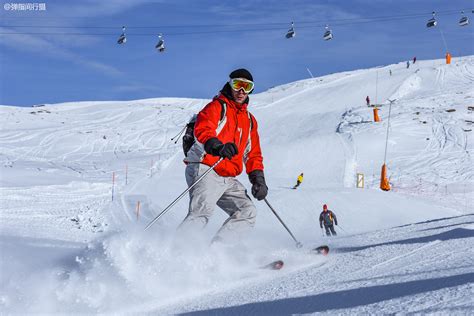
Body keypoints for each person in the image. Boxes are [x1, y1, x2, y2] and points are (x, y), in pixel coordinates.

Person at [179, 68, 267, 244]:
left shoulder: (249, 120)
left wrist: (258, 179)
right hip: (206, 166)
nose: (241, 91)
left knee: (247, 211)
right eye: (237, 84)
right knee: (201, 212)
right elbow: (203, 128)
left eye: (247, 86)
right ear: (230, 84)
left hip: (228, 176)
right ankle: (173, 255)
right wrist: (217, 146)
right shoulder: (218, 107)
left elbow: (253, 153)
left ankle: (219, 252)